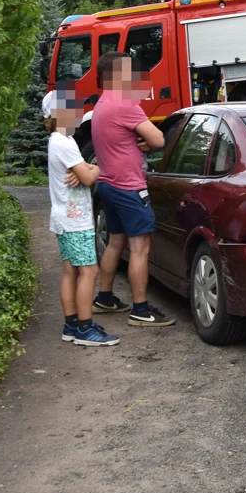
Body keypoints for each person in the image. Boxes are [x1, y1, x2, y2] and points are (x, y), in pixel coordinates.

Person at [90, 52, 173, 327]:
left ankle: (104, 297)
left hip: (108, 184)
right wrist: (149, 143)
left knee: (116, 241)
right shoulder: (126, 104)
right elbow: (159, 139)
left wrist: (143, 142)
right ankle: (140, 309)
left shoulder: (103, 103)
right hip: (128, 187)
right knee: (140, 247)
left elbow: (125, 137)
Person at [44, 87, 119, 347]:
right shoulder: (64, 142)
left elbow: (84, 172)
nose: (78, 113)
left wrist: (87, 168)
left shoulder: (57, 141)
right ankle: (85, 330)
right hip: (75, 220)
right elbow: (88, 177)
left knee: (70, 272)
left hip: (63, 217)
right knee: (89, 271)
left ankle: (71, 324)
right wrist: (92, 168)